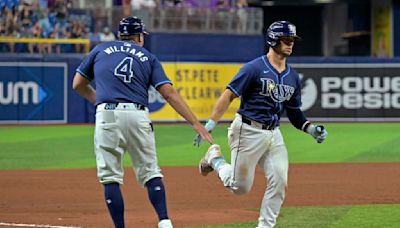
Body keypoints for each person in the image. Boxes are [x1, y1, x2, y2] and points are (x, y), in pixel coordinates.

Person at [72, 16, 213, 228]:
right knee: (150, 172)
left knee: (110, 177)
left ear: (120, 35)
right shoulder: (148, 57)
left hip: (107, 114)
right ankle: (164, 221)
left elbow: (77, 84)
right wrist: (196, 123)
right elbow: (169, 93)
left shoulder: (100, 50)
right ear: (139, 36)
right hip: (138, 115)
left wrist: (98, 101)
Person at [194, 21, 328, 228]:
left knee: (279, 181)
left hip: (274, 134)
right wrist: (211, 123)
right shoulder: (254, 68)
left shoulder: (292, 76)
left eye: (292, 40)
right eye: (286, 39)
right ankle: (215, 159)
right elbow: (229, 95)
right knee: (239, 188)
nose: (290, 44)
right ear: (273, 40)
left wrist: (310, 128)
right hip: (247, 131)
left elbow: (294, 112)